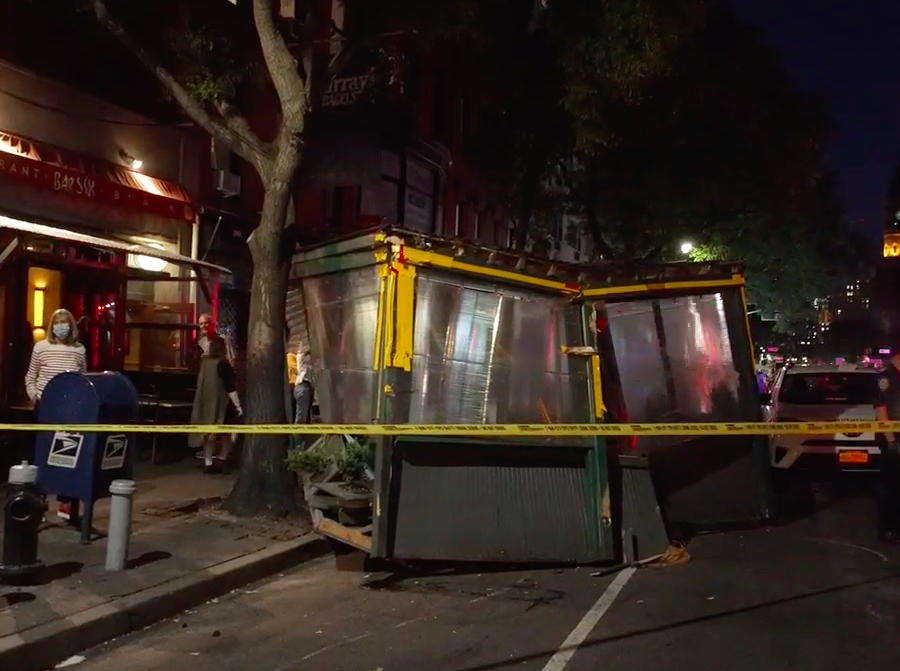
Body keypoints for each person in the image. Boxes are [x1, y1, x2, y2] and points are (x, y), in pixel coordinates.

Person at [24, 308, 86, 521]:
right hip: (45, 406)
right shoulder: (41, 347)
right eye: (58, 322)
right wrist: (35, 396)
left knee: (67, 455)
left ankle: (66, 503)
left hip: (69, 409)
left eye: (65, 322)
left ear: (71, 325)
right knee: (41, 455)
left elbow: (82, 379)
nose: (61, 326)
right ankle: (38, 503)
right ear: (52, 325)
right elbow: (30, 376)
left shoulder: (79, 350)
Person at [189, 336, 242, 474]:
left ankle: (208, 462)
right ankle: (222, 459)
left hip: (206, 404)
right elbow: (230, 387)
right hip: (222, 405)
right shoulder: (223, 364)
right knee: (229, 432)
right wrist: (238, 406)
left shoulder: (204, 363)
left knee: (209, 434)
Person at [873, 347, 900, 543]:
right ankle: (888, 529)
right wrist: (891, 440)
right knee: (891, 485)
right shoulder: (886, 378)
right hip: (893, 440)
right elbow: (881, 411)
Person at [293, 343, 314, 425]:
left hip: (308, 386)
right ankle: (298, 432)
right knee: (301, 418)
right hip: (302, 385)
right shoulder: (303, 356)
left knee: (307, 418)